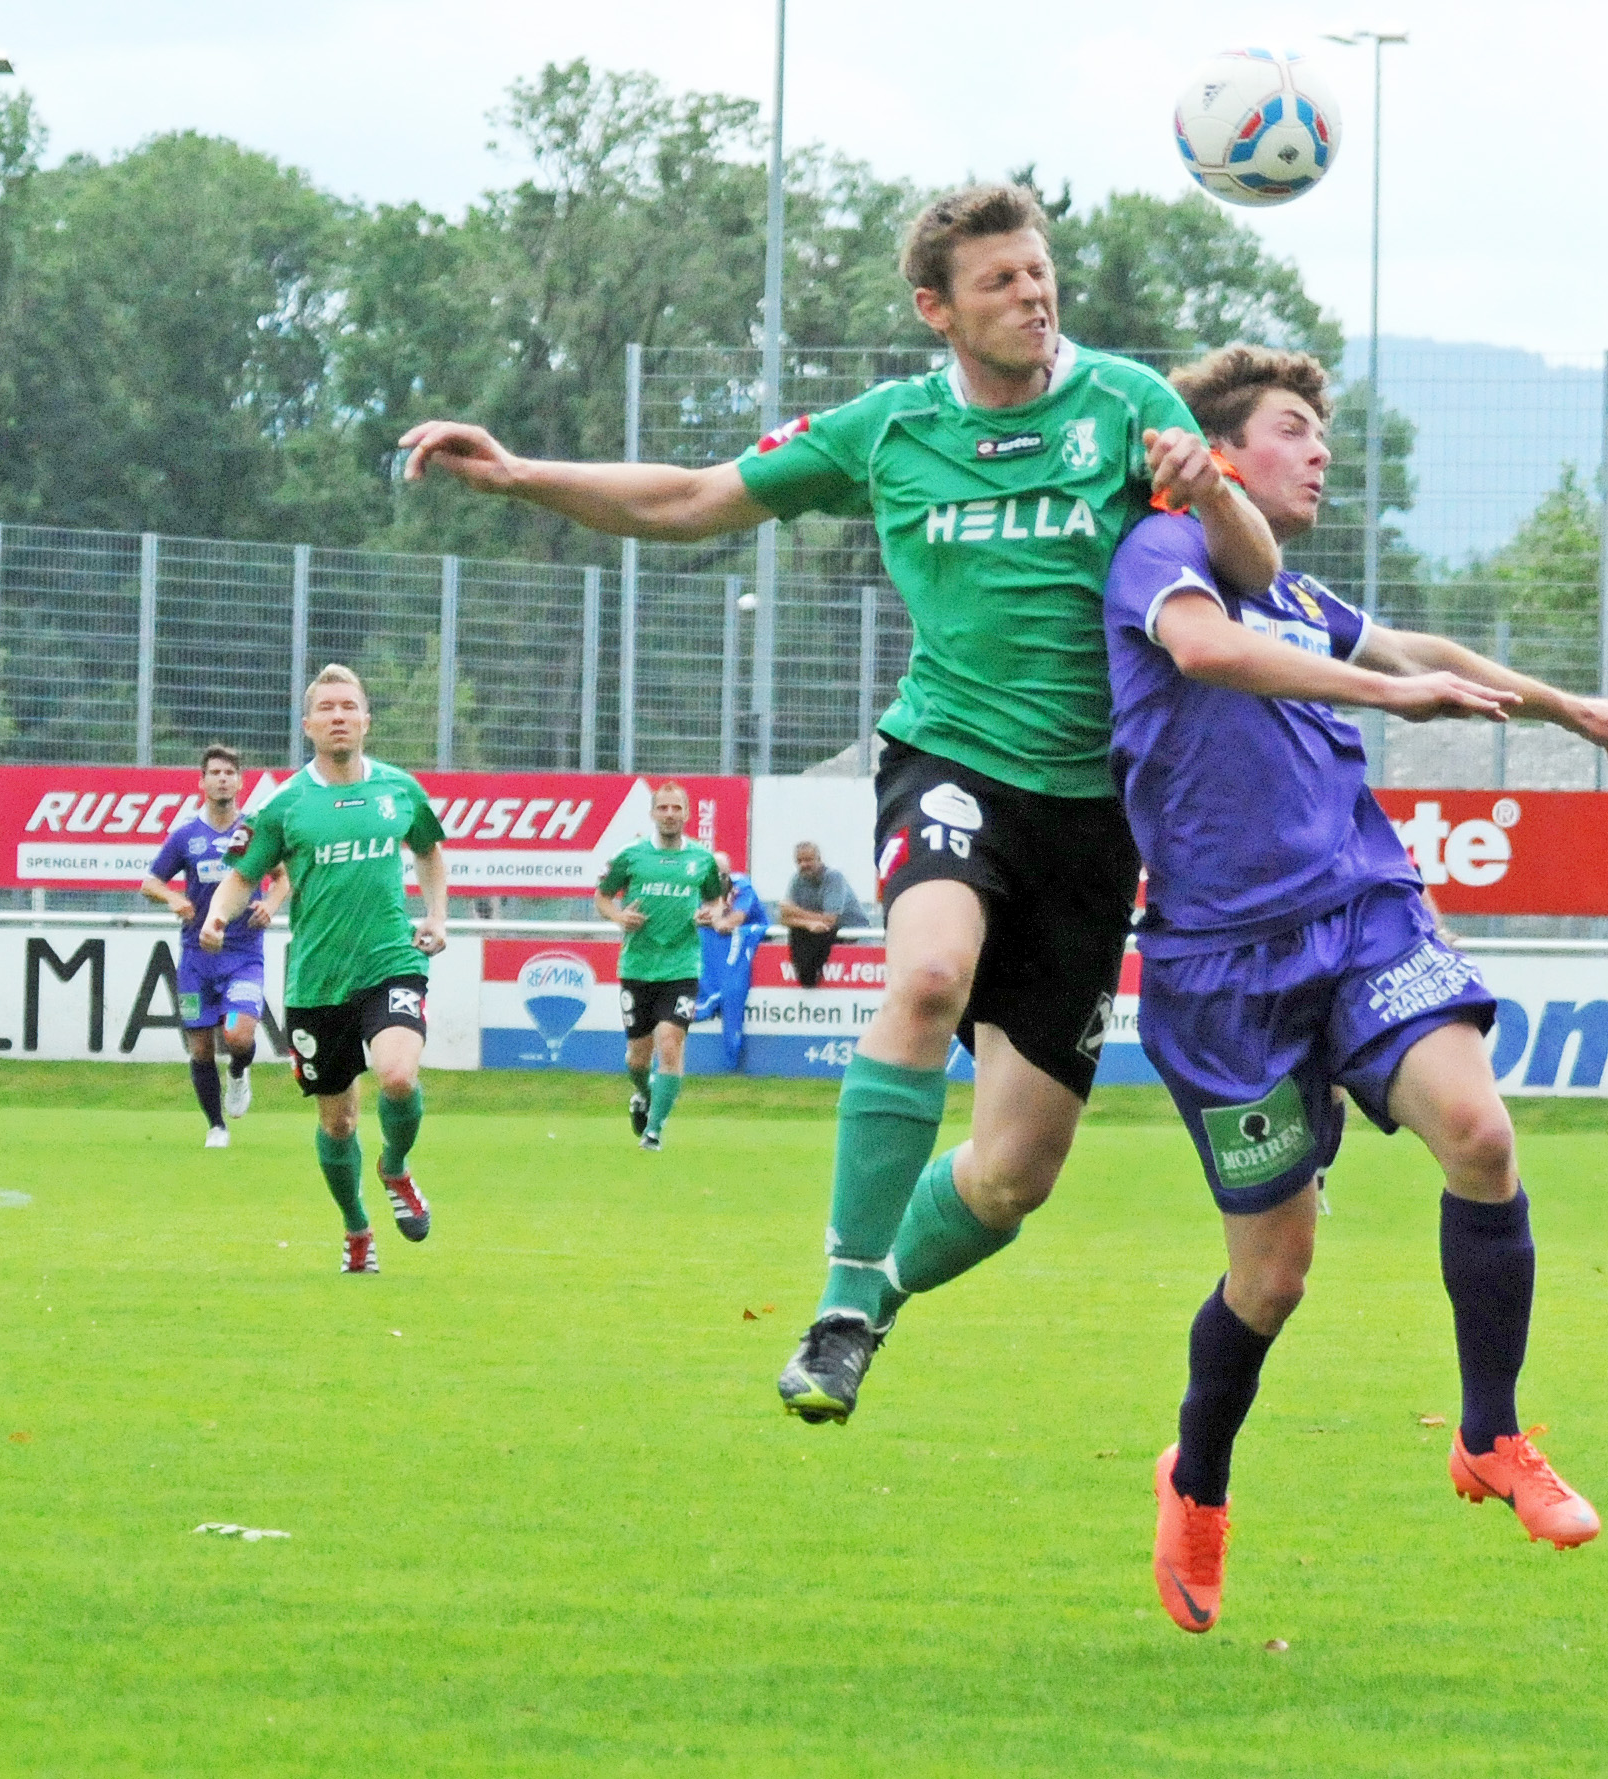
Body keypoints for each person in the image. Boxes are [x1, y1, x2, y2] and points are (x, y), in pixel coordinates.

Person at [400, 181, 1281, 1424]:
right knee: (925, 978)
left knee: (1011, 1179)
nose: (1032, 294)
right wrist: (518, 476)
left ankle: (872, 1303)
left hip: (1094, 813)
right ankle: (837, 1301)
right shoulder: (889, 429)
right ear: (937, 310)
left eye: (1038, 270)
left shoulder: (1128, 403)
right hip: (950, 760)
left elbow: (1255, 572)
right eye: (999, 280)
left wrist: (1214, 489)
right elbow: (696, 499)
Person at [1102, 344, 1608, 1633]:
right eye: (1295, 427)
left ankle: (1491, 1434)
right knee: (1273, 1278)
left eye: (1322, 430)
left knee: (1481, 1134)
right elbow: (1207, 652)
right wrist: (1391, 691)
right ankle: (1199, 1479)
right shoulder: (1159, 553)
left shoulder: (1295, 590)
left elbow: (1413, 643)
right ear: (1220, 453)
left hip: (1362, 913)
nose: (1322, 451)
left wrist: (1564, 707)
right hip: (1221, 966)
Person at [203, 665, 448, 1274]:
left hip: (390, 962)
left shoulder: (399, 789)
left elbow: (428, 850)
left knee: (397, 1076)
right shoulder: (285, 805)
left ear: (366, 720)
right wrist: (216, 916)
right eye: (327, 708)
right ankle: (357, 1227)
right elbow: (242, 875)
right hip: (317, 982)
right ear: (309, 725)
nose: (339, 716)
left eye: (349, 706)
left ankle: (395, 1167)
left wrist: (437, 916)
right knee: (338, 1123)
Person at [138, 744, 288, 1147]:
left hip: (243, 956)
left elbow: (282, 876)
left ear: (240, 782)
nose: (222, 779)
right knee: (201, 1048)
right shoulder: (186, 837)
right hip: (196, 958)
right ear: (202, 782)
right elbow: (150, 882)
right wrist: (173, 898)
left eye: (229, 773)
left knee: (238, 1035)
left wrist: (271, 904)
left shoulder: (250, 834)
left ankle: (238, 1071)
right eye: (215, 773)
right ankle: (216, 1126)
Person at [594, 782, 728, 1150]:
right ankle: (643, 1093)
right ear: (653, 813)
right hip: (638, 966)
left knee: (670, 1044)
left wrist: (710, 913)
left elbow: (715, 900)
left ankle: (653, 1132)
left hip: (681, 967)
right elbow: (602, 898)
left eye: (676, 808)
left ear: (687, 813)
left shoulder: (701, 859)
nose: (670, 814)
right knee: (637, 1059)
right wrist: (619, 917)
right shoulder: (631, 855)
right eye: (663, 808)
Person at [695, 849, 767, 1072]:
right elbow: (692, 917)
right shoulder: (698, 886)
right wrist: (711, 920)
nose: (719, 879)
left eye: (722, 874)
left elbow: (732, 921)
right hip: (713, 944)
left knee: (733, 989)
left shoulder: (742, 886)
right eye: (713, 874)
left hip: (744, 941)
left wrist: (713, 920)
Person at [776, 841, 860, 989]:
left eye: (808, 860)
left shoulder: (833, 877)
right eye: (799, 861)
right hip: (819, 936)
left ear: (819, 859)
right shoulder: (796, 879)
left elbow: (830, 920)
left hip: (854, 940)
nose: (803, 865)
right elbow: (783, 918)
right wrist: (808, 924)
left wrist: (795, 911)